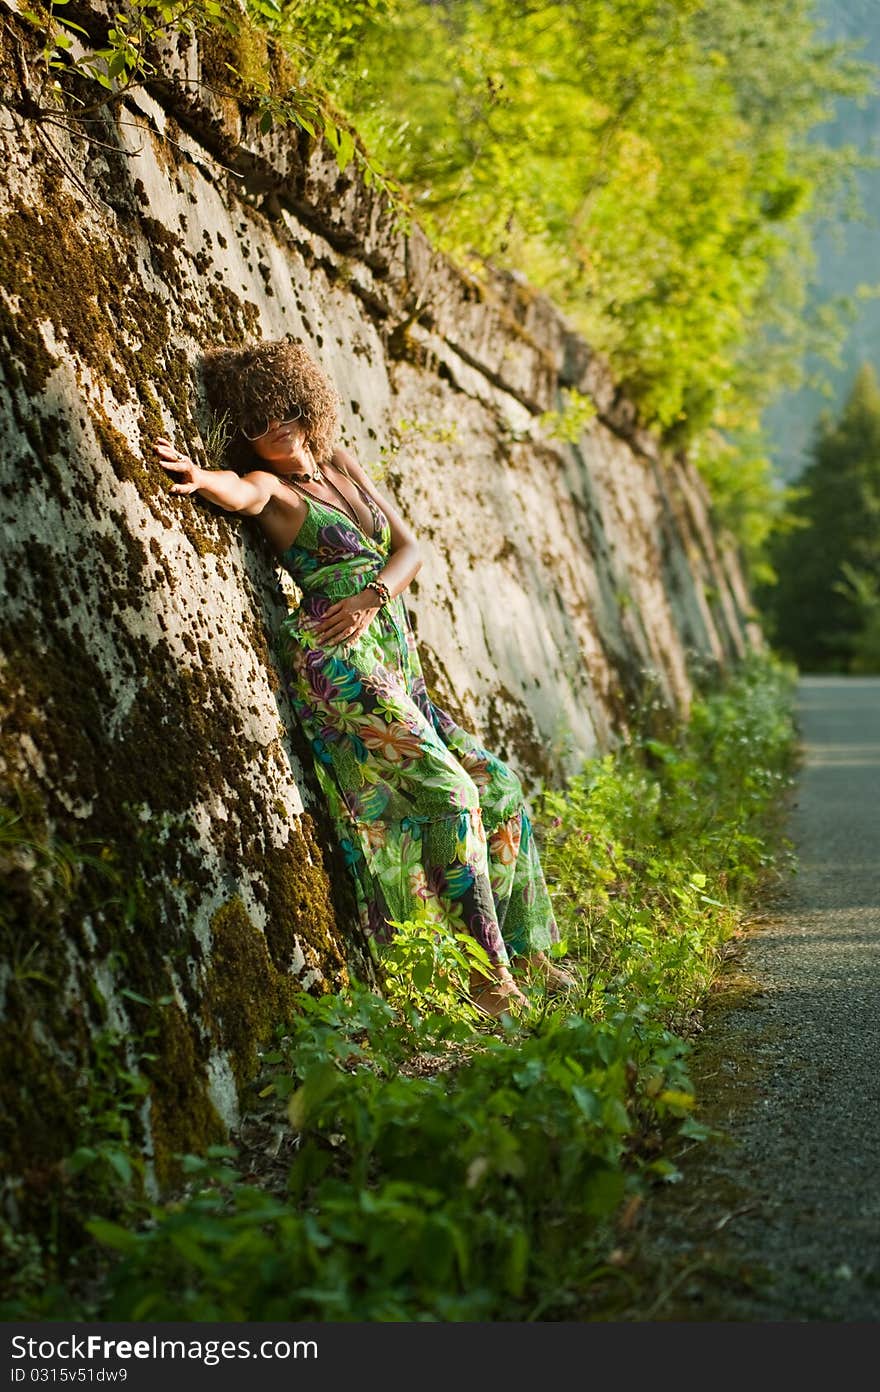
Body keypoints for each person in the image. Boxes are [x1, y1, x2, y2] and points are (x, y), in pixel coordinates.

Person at [155, 339, 573, 1015]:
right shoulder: (278, 491)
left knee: (498, 784)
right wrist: (203, 479)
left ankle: (529, 954)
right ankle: (489, 981)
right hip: (340, 666)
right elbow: (240, 493)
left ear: (305, 399)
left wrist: (373, 595)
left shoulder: (339, 463)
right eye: (257, 420)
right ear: (245, 434)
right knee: (450, 792)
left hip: (393, 653)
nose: (278, 424)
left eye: (285, 406)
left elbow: (410, 548)